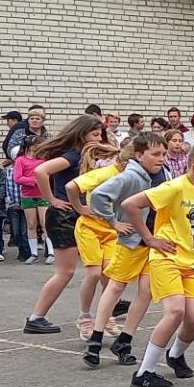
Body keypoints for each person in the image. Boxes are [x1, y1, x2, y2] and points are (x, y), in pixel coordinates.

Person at [121, 141, 194, 387]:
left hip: (192, 262)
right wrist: (149, 238)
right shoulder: (174, 187)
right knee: (175, 311)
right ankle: (144, 372)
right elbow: (130, 204)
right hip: (166, 258)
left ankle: (176, 354)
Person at [84, 132, 167, 368]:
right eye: (155, 154)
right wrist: (114, 222)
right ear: (139, 155)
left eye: (163, 154)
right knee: (116, 286)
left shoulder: (164, 173)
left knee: (146, 291)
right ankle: (96, 338)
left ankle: (125, 340)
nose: (161, 158)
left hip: (155, 242)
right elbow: (99, 196)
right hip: (133, 241)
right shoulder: (130, 176)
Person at [23, 115, 106, 333]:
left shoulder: (86, 156)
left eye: (100, 135)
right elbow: (41, 171)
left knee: (102, 266)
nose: (99, 139)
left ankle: (110, 307)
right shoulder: (73, 155)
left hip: (76, 215)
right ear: (82, 134)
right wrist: (51, 199)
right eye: (95, 134)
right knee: (65, 271)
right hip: (63, 217)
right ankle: (36, 317)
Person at [66, 143, 125, 335]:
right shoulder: (106, 173)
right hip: (90, 227)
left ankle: (107, 316)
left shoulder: (132, 177)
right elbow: (71, 186)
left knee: (110, 274)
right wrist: (79, 208)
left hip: (111, 229)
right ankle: (84, 317)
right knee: (93, 273)